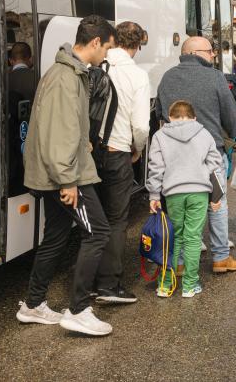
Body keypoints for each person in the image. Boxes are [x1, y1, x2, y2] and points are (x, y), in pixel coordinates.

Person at [16, 15, 116, 336]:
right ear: (96, 42)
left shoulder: (66, 72)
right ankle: (79, 309)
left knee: (56, 235)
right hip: (67, 174)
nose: (107, 56)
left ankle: (33, 304)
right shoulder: (66, 77)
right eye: (107, 49)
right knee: (98, 232)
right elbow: (59, 132)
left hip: (57, 172)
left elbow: (65, 125)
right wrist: (68, 180)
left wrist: (83, 139)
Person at [155, 36, 236, 274]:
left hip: (175, 156)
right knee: (217, 203)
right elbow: (230, 114)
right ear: (195, 53)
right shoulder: (215, 77)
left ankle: (180, 261)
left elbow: (160, 113)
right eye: (210, 51)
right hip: (210, 150)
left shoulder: (167, 77)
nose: (213, 55)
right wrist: (232, 137)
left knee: (179, 207)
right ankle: (221, 258)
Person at [92, 21, 151, 304]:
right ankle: (108, 285)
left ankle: (89, 279)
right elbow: (140, 126)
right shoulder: (137, 75)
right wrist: (138, 149)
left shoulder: (97, 66)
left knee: (95, 218)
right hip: (117, 153)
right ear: (137, 44)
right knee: (116, 220)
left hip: (90, 152)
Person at [147, 100, 224, 298]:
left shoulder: (160, 135)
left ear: (170, 118)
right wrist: (200, 172)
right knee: (193, 238)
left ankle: (165, 285)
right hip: (199, 192)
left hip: (173, 193)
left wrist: (154, 195)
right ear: (194, 117)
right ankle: (190, 285)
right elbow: (215, 161)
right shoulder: (204, 133)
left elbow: (156, 168)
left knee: (174, 238)